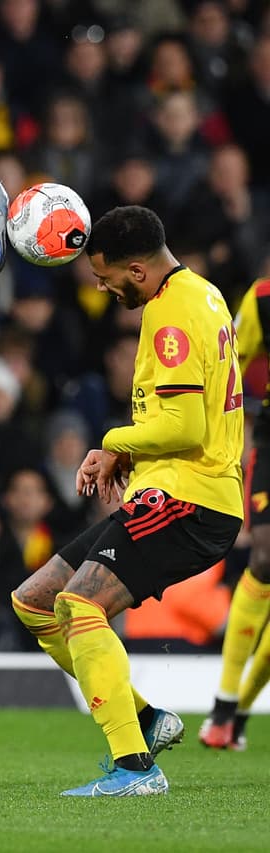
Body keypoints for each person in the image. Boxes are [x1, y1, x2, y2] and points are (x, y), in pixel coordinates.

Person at [13, 205, 244, 797]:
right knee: (36, 601)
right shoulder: (204, 294)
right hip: (169, 492)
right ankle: (143, 719)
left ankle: (136, 768)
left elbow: (186, 426)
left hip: (190, 499)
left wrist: (113, 442)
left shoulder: (171, 315)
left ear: (137, 270)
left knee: (81, 607)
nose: (101, 285)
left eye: (105, 275)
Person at [197, 274, 270, 750]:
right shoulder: (263, 298)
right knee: (265, 557)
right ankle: (224, 704)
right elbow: (230, 372)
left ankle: (237, 709)